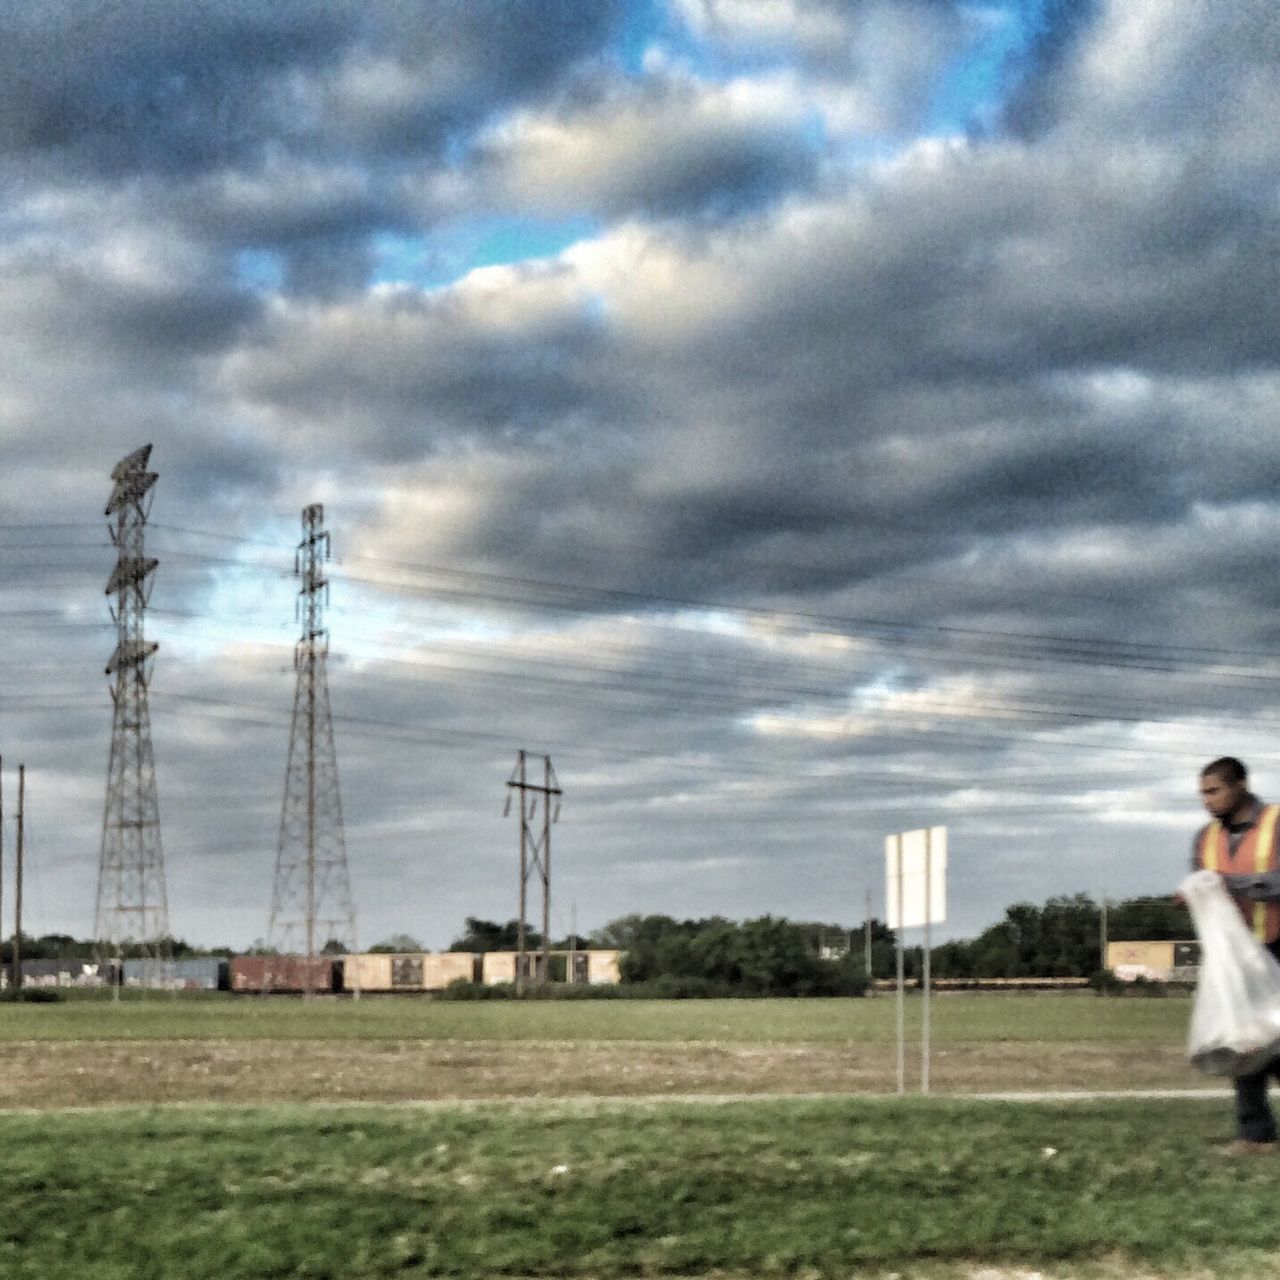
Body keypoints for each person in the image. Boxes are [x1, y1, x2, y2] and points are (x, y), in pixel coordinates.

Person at [1191, 757, 1280, 1154]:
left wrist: (1227, 883)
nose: (1207, 801)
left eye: (1214, 791)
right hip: (1236, 958)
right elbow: (1201, 880)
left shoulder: (1276, 824)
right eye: (1203, 793)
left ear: (1240, 786)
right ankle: (1254, 1134)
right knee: (1242, 1044)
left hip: (1278, 946)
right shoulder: (1204, 838)